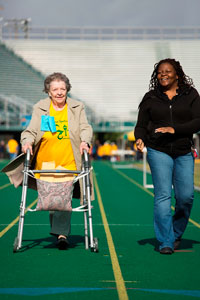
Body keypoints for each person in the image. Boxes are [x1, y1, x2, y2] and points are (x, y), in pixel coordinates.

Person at [3, 72, 93, 250]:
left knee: (63, 197)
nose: (59, 92)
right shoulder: (41, 107)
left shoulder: (77, 107)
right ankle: (59, 230)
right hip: (46, 162)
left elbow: (85, 127)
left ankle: (61, 235)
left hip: (69, 160)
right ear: (49, 92)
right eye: (55, 89)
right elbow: (32, 130)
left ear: (67, 90)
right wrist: (26, 142)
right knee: (52, 200)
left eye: (62, 89)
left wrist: (85, 141)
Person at [134, 58, 200, 255]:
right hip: (158, 150)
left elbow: (198, 121)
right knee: (163, 195)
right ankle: (165, 241)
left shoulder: (191, 95)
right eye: (160, 72)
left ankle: (176, 233)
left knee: (186, 196)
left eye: (168, 71)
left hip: (183, 151)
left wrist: (175, 129)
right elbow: (141, 125)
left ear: (177, 74)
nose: (163, 74)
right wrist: (139, 139)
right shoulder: (151, 97)